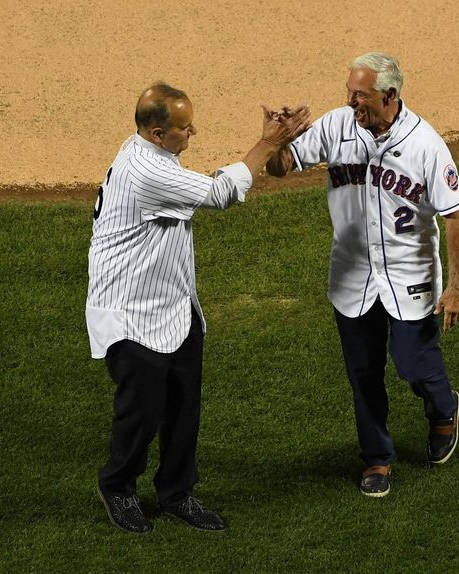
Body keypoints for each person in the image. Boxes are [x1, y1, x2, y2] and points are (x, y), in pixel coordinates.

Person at [86, 82, 310, 533]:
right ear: (155, 133)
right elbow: (220, 193)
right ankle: (118, 487)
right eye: (185, 129)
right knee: (142, 411)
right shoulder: (146, 170)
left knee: (183, 409)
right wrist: (268, 143)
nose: (194, 135)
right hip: (130, 312)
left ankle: (176, 492)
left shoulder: (154, 154)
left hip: (173, 303)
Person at [266, 52, 459, 498]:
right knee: (364, 374)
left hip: (409, 272)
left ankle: (442, 409)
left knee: (414, 365)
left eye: (362, 95)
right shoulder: (338, 126)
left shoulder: (426, 145)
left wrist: (456, 288)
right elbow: (279, 169)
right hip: (352, 276)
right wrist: (277, 143)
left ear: (390, 95)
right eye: (350, 92)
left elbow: (455, 216)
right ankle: (377, 458)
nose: (352, 101)